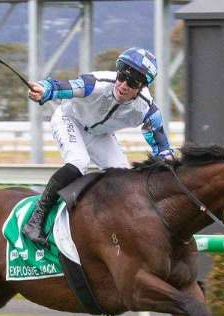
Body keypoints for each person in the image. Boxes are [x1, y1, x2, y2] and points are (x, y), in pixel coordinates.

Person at [22, 47, 174, 246]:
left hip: (100, 135)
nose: (123, 86)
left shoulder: (148, 110)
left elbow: (162, 148)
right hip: (70, 120)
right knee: (79, 162)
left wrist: (170, 163)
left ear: (142, 88)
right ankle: (37, 218)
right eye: (122, 76)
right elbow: (64, 86)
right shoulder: (96, 83)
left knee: (124, 177)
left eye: (132, 83)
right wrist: (45, 90)